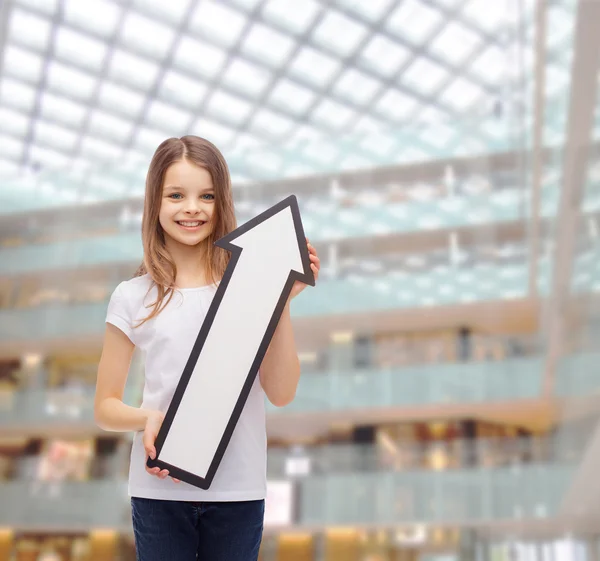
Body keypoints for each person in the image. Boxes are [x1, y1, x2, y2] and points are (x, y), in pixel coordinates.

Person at [94, 135, 320, 561]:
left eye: (207, 195)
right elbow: (105, 407)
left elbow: (282, 392)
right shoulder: (131, 295)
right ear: (155, 204)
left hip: (238, 490)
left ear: (222, 203)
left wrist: (281, 299)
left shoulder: (248, 284)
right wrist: (149, 418)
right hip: (159, 491)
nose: (192, 208)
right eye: (176, 195)